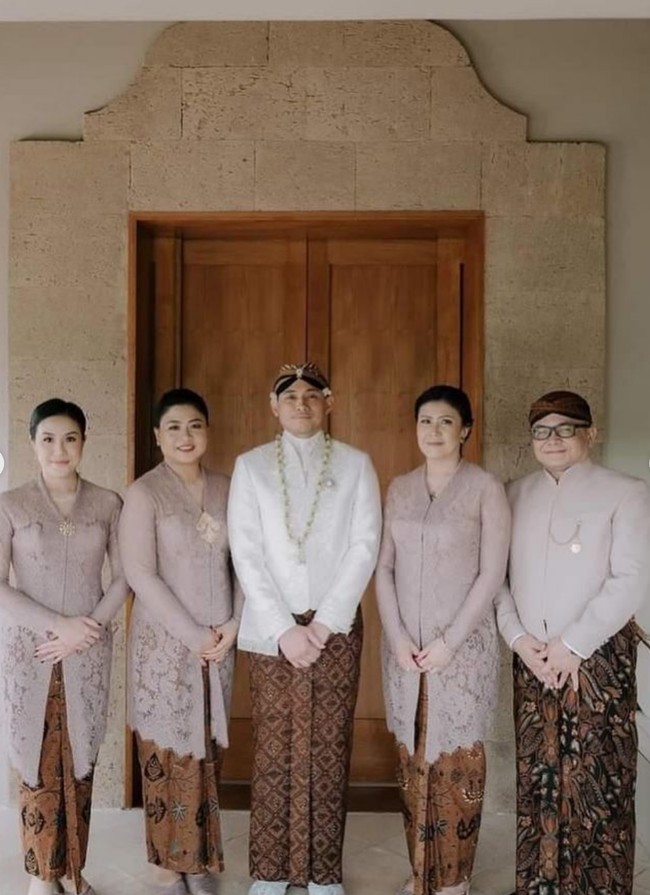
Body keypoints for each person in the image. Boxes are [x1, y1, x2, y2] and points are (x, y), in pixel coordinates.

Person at [227, 362, 382, 895]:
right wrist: (282, 628)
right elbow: (245, 552)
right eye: (289, 395)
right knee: (273, 745)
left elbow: (364, 546)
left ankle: (321, 874)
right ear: (274, 406)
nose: (300, 403)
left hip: (334, 626)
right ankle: (270, 872)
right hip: (272, 628)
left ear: (329, 403)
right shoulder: (250, 468)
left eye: (311, 395)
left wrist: (324, 623)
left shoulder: (357, 465)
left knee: (328, 745)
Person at [496, 389, 650, 895]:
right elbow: (496, 578)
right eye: (542, 431)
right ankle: (539, 885)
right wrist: (518, 639)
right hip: (532, 660)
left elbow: (630, 579)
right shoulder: (514, 494)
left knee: (597, 782)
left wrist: (574, 645)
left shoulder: (626, 491)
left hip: (597, 659)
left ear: (591, 433)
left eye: (566, 429)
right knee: (539, 778)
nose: (554, 440)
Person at [375, 384, 511, 895]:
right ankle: (419, 871)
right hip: (406, 650)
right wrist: (398, 636)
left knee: (457, 764)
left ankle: (453, 879)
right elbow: (384, 568)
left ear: (466, 430)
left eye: (446, 422)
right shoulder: (400, 488)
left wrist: (451, 642)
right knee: (413, 759)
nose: (434, 431)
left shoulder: (485, 488)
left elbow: (491, 573)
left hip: (463, 652)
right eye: (425, 421)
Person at [0, 398, 128, 895]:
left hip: (88, 651)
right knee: (34, 757)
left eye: (70, 438)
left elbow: (124, 577)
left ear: (83, 443)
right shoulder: (10, 505)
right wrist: (57, 625)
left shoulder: (107, 504)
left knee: (79, 760)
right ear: (33, 443)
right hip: (30, 653)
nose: (60, 449)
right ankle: (40, 878)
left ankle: (74, 871)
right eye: (48, 439)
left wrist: (88, 626)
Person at [119, 388, 241, 895]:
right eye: (173, 427)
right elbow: (140, 573)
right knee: (167, 754)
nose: (185, 436)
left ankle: (202, 860)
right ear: (157, 436)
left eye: (194, 425)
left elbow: (250, 566)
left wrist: (236, 623)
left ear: (207, 431)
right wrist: (192, 634)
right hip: (166, 647)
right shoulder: (144, 493)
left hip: (219, 643)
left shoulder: (230, 488)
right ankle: (168, 865)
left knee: (207, 752)